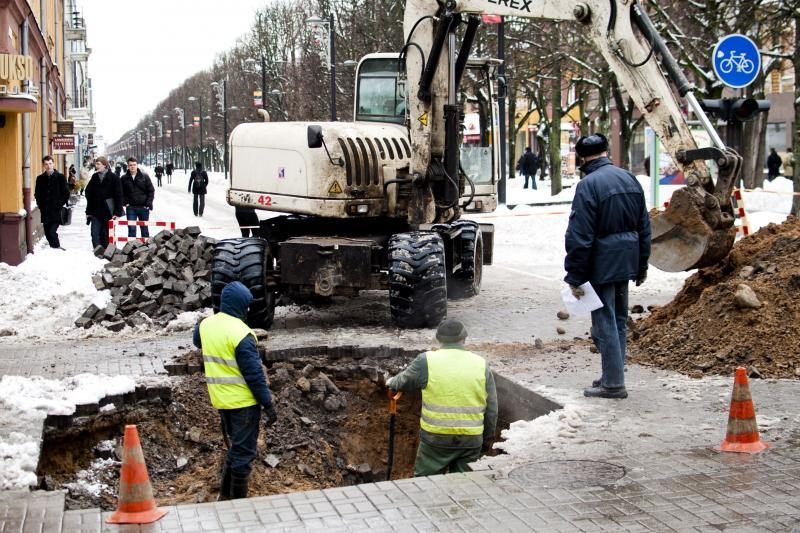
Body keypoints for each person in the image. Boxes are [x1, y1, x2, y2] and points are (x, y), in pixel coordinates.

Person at [564, 134, 651, 399]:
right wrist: (642, 264)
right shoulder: (629, 178)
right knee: (619, 320)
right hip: (626, 260)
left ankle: (613, 383)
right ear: (605, 151)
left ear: (582, 157)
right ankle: (612, 374)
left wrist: (575, 274)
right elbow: (644, 227)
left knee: (605, 322)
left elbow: (580, 236)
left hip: (601, 264)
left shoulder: (588, 185)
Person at [193, 281, 278, 500]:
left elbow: (197, 339)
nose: (249, 310)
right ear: (240, 305)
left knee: (235, 449)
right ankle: (237, 504)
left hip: (221, 401)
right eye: (247, 305)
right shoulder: (241, 333)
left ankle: (225, 498)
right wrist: (267, 403)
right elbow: (254, 375)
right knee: (243, 454)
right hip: (243, 404)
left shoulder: (207, 325)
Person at [386, 319, 497, 477]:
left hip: (435, 439)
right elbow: (492, 408)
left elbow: (400, 383)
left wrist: (391, 381)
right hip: (470, 440)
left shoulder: (427, 361)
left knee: (426, 483)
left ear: (439, 339)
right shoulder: (481, 364)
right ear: (464, 338)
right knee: (464, 484)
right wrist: (486, 440)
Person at [84, 156, 123, 249]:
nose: (96, 166)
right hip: (96, 211)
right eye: (96, 164)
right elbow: (88, 193)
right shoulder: (95, 177)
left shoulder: (114, 178)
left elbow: (119, 196)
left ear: (105, 165)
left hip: (109, 211)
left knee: (107, 234)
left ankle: (108, 253)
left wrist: (117, 212)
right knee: (95, 233)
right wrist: (88, 211)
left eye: (98, 164)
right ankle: (97, 252)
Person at [34, 155, 70, 249]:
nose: (48, 166)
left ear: (53, 164)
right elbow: (37, 194)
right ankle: (54, 249)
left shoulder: (60, 177)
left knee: (52, 232)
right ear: (43, 166)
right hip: (45, 211)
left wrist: (59, 204)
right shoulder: (40, 179)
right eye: (46, 164)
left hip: (56, 211)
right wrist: (40, 204)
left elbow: (66, 193)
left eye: (50, 163)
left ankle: (56, 248)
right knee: (47, 233)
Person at [121, 157, 155, 239]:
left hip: (143, 207)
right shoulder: (124, 178)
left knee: (144, 230)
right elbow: (121, 193)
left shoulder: (145, 176)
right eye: (130, 165)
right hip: (131, 208)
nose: (132, 167)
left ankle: (146, 249)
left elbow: (151, 190)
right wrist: (125, 203)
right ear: (128, 166)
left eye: (134, 165)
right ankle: (131, 249)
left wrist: (148, 203)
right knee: (132, 229)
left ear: (137, 165)